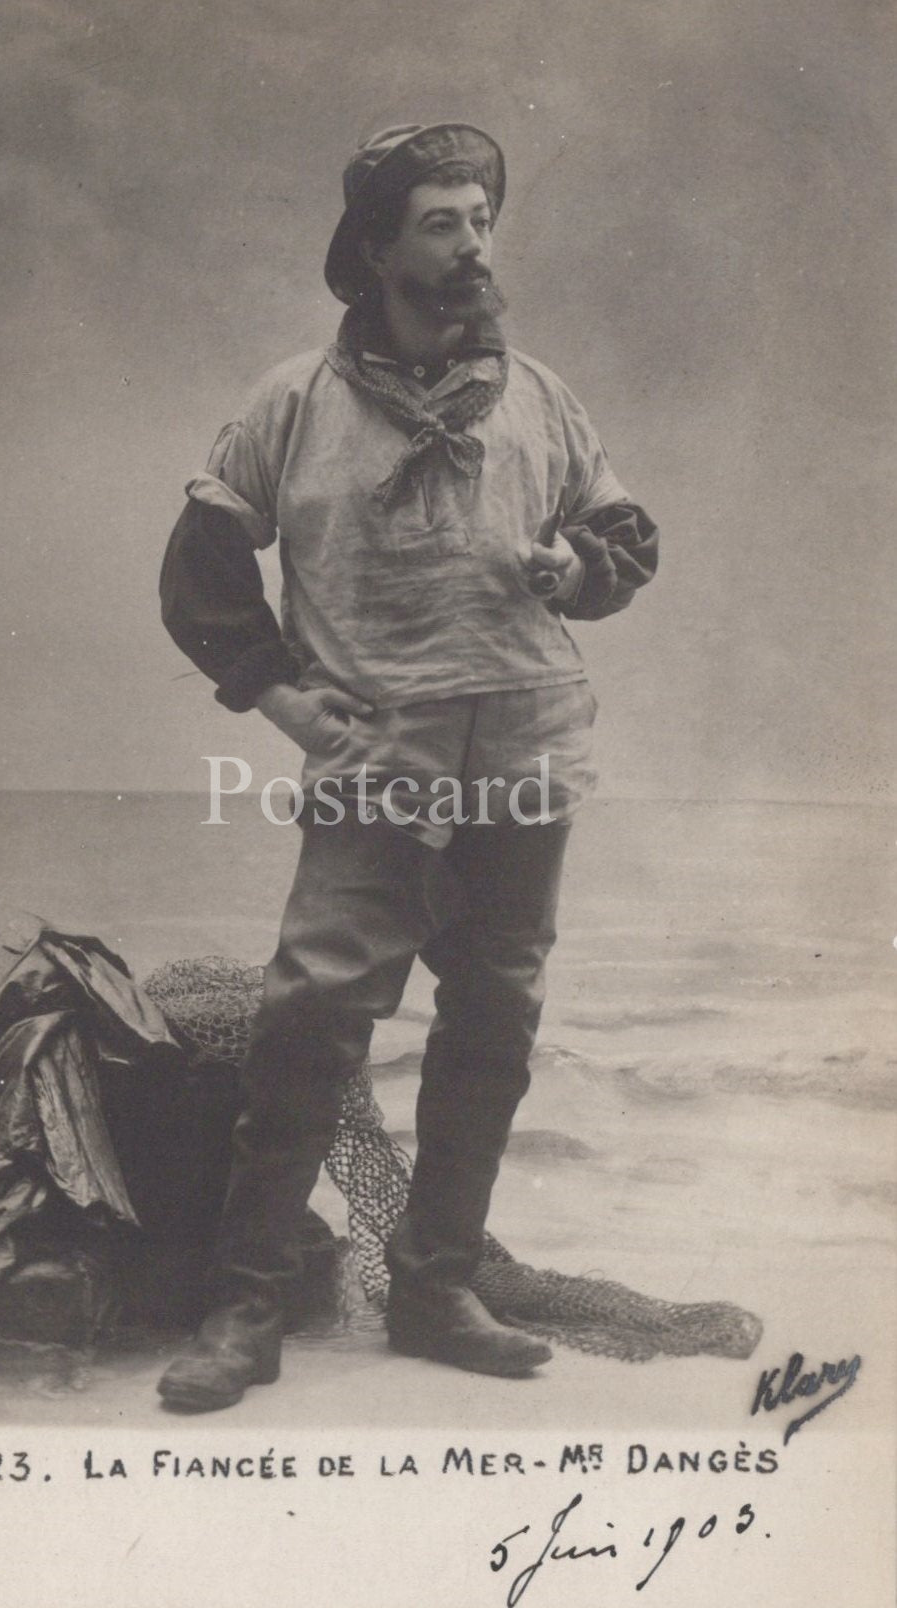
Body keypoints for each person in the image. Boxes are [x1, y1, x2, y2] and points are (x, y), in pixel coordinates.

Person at [157, 122, 659, 1411]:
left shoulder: (541, 395)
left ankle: (435, 1287)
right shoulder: (293, 403)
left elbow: (621, 536)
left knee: (494, 1018)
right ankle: (245, 1305)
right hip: (380, 758)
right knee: (309, 1021)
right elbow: (201, 572)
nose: (473, 243)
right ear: (376, 248)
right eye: (441, 222)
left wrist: (576, 570)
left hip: (530, 750)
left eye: (482, 218)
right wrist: (288, 706)